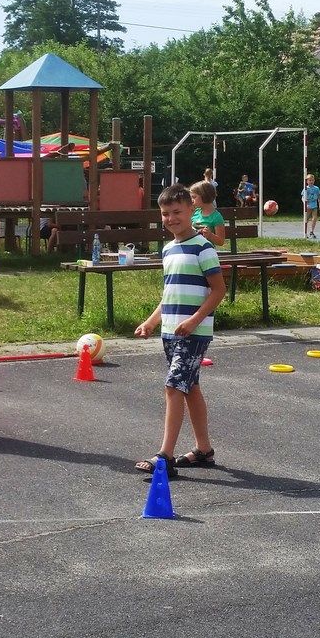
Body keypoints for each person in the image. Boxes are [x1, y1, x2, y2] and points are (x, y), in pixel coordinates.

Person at [133, 185, 227, 475]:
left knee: (174, 385)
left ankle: (165, 456)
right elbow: (170, 294)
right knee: (190, 387)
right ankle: (203, 450)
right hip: (171, 331)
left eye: (177, 212)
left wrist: (195, 320)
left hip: (193, 333)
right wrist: (152, 321)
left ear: (191, 211)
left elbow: (218, 290)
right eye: (165, 214)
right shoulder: (168, 249)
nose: (171, 218)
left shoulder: (203, 247)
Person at [189, 180, 227, 247]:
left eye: (194, 197)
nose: (191, 200)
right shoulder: (195, 212)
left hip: (206, 250)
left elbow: (221, 242)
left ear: (204, 196)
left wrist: (210, 235)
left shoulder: (216, 217)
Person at [301, 174, 320, 239]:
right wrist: (305, 203)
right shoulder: (306, 188)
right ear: (307, 181)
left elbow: (319, 197)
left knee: (314, 218)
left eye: (312, 180)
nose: (311, 181)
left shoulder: (316, 188)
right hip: (308, 206)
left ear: (314, 181)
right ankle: (305, 232)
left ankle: (312, 231)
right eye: (309, 180)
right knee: (306, 219)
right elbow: (302, 197)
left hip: (314, 205)